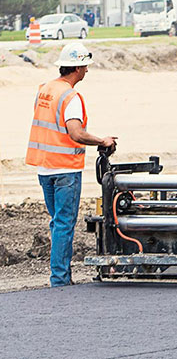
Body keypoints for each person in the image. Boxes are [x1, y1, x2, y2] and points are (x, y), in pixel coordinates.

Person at [25, 42, 117, 286]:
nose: (87, 70)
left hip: (44, 167)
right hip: (65, 169)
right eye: (85, 66)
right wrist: (102, 140)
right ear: (77, 67)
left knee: (57, 222)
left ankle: (59, 275)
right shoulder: (71, 97)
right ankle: (60, 279)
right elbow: (75, 133)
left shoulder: (45, 89)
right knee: (64, 224)